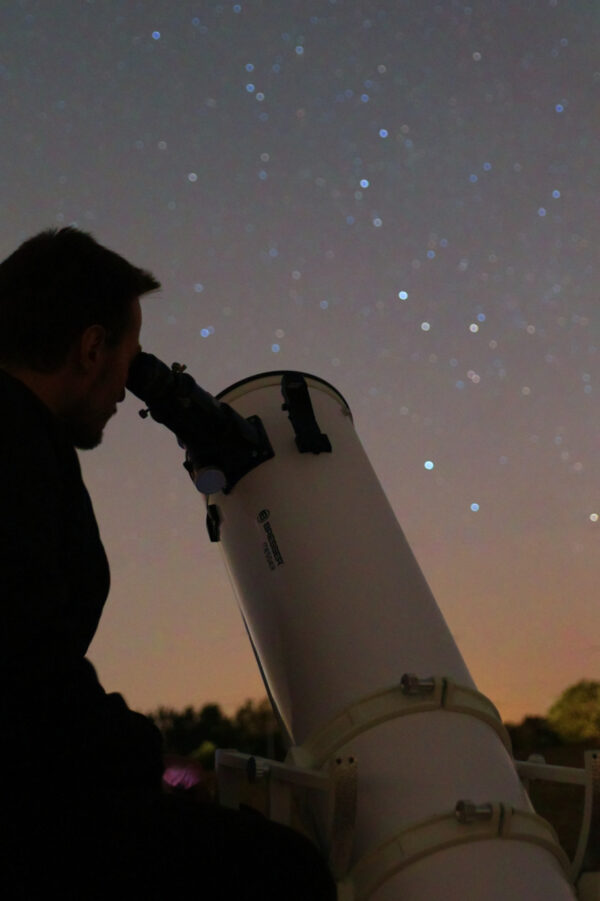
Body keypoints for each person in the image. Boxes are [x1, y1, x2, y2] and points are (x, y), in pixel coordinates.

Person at [0, 228, 336, 899]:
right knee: (285, 871)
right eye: (129, 358)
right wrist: (140, 756)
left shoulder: (27, 439)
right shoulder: (16, 447)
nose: (128, 389)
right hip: (30, 813)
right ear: (91, 348)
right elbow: (25, 661)